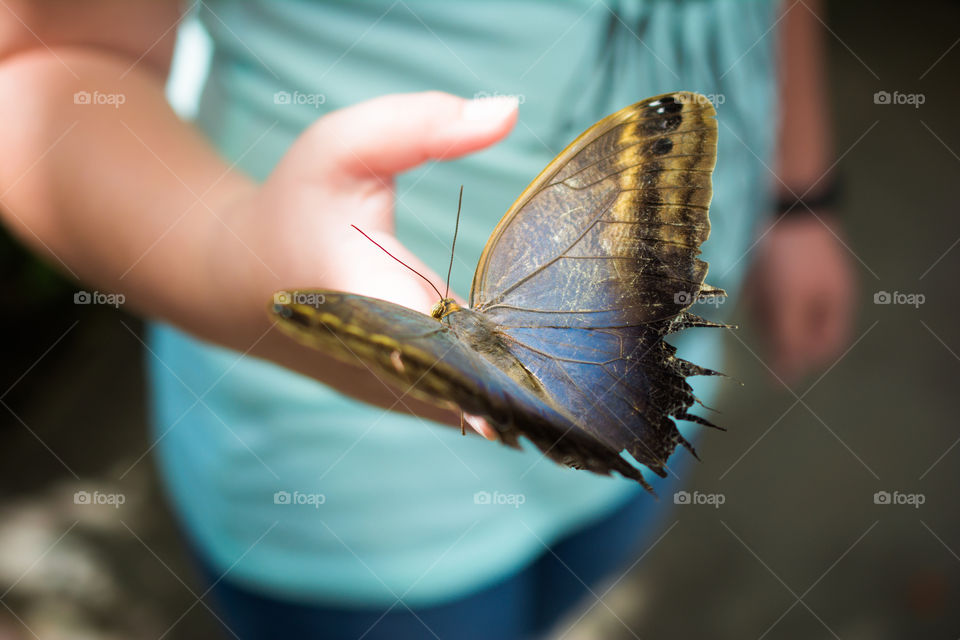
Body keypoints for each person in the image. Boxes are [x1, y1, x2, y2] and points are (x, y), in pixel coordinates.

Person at [0, 1, 853, 638]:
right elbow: (43, 64)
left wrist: (798, 193)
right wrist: (242, 255)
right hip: (355, 494)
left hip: (640, 369)